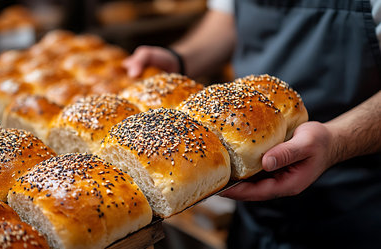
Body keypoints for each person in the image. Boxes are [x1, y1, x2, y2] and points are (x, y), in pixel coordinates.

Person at [123, 0, 381, 248]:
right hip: (252, 206)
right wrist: (180, 58)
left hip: (355, 200)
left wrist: (337, 141)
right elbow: (228, 16)